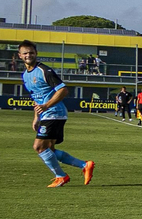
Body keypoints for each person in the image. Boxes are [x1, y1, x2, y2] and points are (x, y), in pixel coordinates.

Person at [17, 40, 95, 188]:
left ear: (36, 53)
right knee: (49, 150)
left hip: (54, 113)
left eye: (31, 53)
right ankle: (85, 165)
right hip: (47, 114)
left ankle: (61, 176)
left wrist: (46, 106)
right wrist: (36, 117)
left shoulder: (44, 71)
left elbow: (63, 90)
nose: (28, 55)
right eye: (25, 53)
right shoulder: (25, 75)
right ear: (20, 55)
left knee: (39, 147)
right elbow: (37, 98)